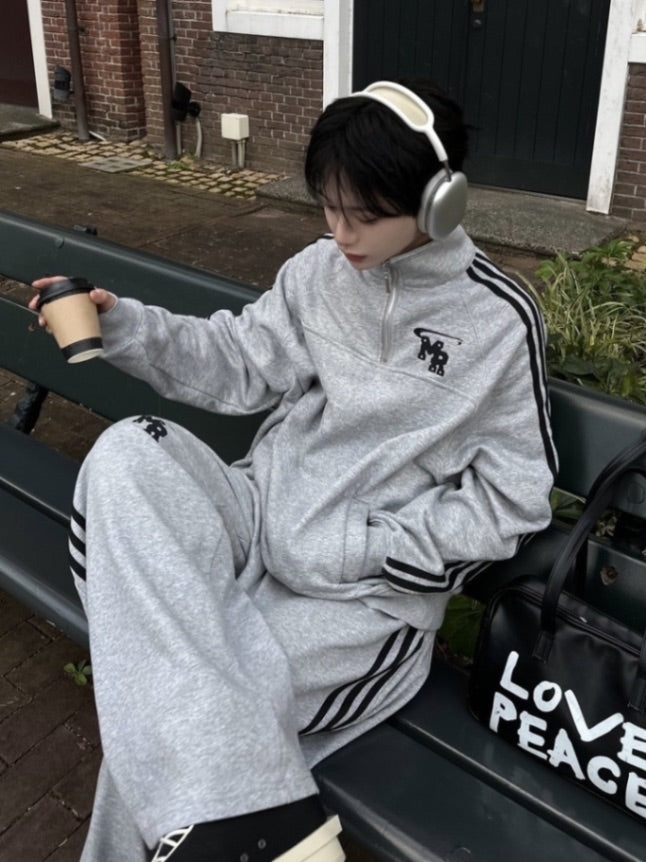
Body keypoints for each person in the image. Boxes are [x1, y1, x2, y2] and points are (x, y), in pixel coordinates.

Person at [31, 79, 557, 862]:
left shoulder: (498, 322)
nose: (340, 233)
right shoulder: (317, 272)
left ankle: (251, 835)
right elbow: (238, 361)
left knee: (178, 713)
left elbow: (513, 498)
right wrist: (126, 327)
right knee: (128, 453)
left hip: (359, 601)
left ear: (439, 202)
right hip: (256, 516)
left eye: (364, 215)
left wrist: (364, 545)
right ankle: (266, 836)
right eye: (329, 208)